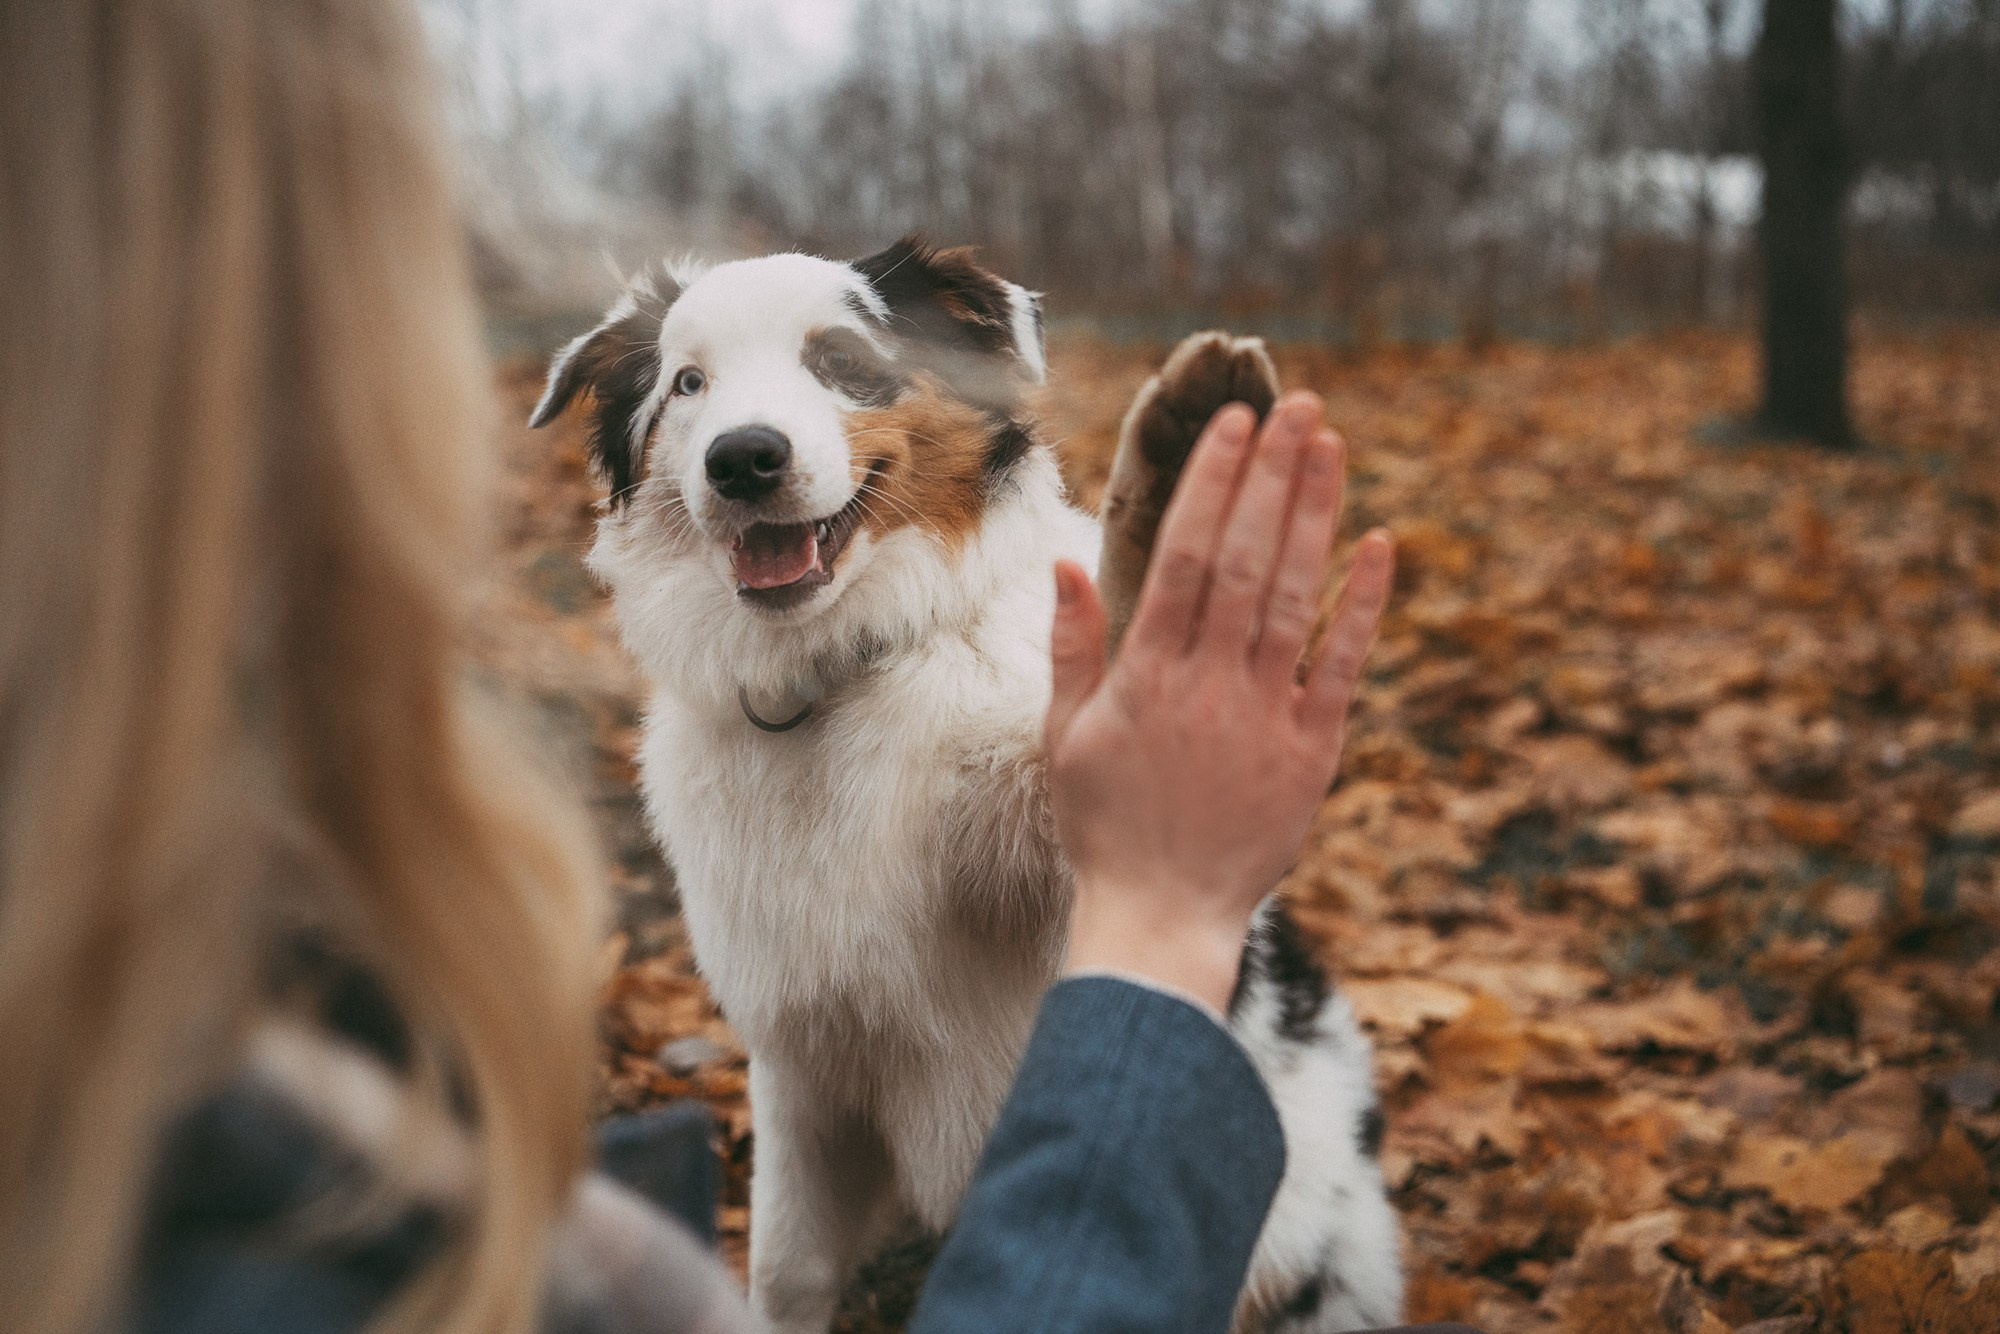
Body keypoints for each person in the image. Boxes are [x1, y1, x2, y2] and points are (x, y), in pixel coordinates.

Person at [0, 3, 1472, 1332]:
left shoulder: (1006, 627)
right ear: (633, 445)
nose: (744, 439)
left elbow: (1062, 833)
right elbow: (799, 1050)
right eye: (691, 388)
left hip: (1259, 1251)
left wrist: (1143, 673)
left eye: (839, 366)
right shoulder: (670, 757)